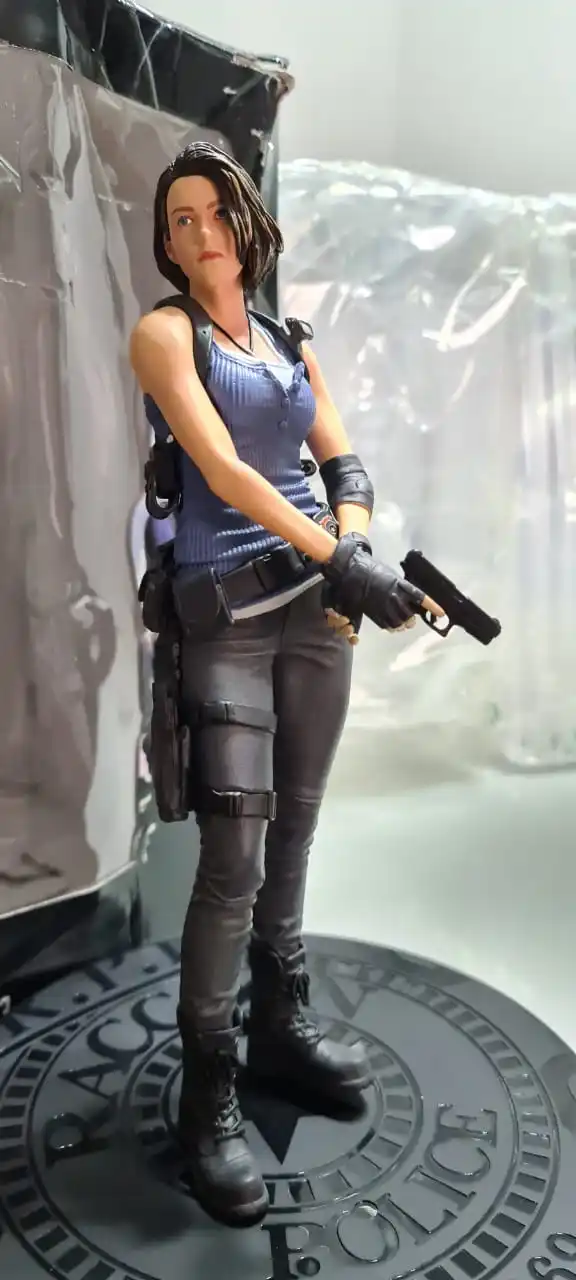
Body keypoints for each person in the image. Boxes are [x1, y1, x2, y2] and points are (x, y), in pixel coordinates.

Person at [129, 142, 442, 1230]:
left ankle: (279, 1027)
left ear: (248, 222)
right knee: (234, 859)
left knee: (296, 832)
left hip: (317, 618)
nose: (200, 231)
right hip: (228, 621)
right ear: (166, 241)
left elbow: (342, 463)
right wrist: (341, 556)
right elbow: (223, 470)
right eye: (180, 218)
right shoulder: (165, 334)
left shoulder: (288, 340)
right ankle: (208, 1092)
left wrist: (350, 558)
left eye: (216, 211)